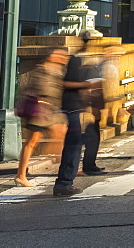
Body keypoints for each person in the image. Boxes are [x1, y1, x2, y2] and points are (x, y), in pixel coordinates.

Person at [53, 43, 102, 196]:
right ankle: (64, 183)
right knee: (73, 147)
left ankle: (65, 182)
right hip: (71, 110)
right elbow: (64, 85)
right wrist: (85, 85)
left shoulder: (76, 64)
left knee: (74, 146)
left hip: (73, 110)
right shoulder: (74, 63)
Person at [15, 47, 68, 187]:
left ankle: (61, 161)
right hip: (40, 112)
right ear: (50, 56)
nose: (62, 58)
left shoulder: (59, 71)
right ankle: (21, 175)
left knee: (62, 133)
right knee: (31, 142)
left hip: (50, 111)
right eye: (59, 55)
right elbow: (41, 89)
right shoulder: (42, 69)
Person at [77, 30, 107, 177]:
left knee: (93, 137)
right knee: (89, 137)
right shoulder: (83, 58)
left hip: (94, 104)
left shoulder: (91, 58)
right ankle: (86, 165)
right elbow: (87, 86)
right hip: (87, 106)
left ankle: (90, 164)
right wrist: (89, 106)